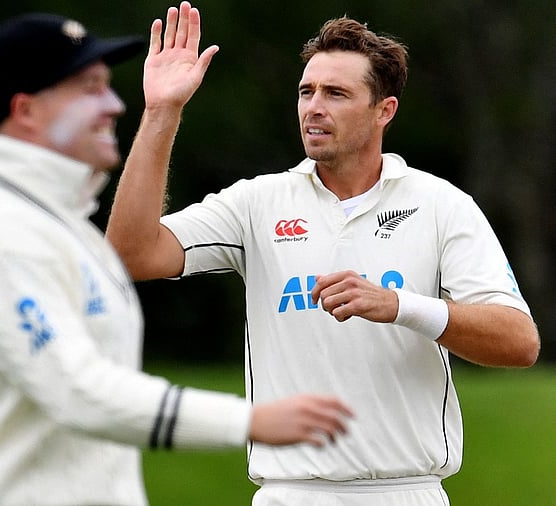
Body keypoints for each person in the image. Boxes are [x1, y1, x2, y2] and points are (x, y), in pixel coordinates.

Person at [105, 9, 541, 506]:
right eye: (306, 92)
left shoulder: (442, 205)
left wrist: (400, 306)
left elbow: (518, 341)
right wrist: (162, 111)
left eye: (336, 94)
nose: (314, 107)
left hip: (406, 492)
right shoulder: (257, 203)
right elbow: (131, 255)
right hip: (289, 493)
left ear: (385, 110)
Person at [0, 4, 354, 505]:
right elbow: (78, 390)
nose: (113, 105)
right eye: (89, 88)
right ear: (26, 111)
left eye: (107, 85)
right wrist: (250, 419)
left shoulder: (60, 224)